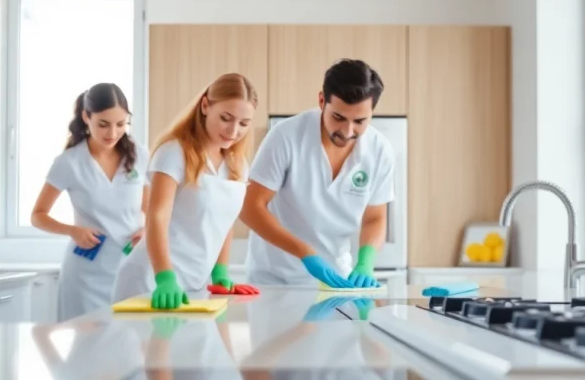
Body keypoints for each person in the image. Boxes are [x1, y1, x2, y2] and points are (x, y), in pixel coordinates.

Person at [240, 59, 395, 289]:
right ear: (322, 101)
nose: (348, 131)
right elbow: (250, 208)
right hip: (275, 280)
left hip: (336, 280)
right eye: (339, 118)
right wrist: (304, 253)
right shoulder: (286, 136)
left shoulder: (380, 150)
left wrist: (365, 262)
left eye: (360, 121)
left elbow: (375, 218)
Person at [112, 73, 260, 310]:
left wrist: (220, 273)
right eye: (226, 118)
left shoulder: (238, 164)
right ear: (205, 106)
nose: (233, 131)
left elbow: (224, 222)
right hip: (151, 279)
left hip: (195, 283)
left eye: (244, 123)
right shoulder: (174, 152)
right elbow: (157, 218)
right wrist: (164, 277)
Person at [31, 83, 149, 319]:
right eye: (103, 124)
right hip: (86, 274)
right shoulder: (69, 162)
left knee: (131, 346)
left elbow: (151, 207)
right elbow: (38, 215)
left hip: (132, 266)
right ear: (86, 117)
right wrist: (73, 230)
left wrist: (147, 230)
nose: (112, 133)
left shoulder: (140, 155)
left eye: (120, 124)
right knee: (86, 349)